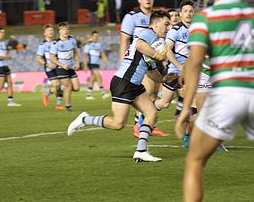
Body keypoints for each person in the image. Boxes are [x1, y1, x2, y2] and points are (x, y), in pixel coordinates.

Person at [175, 0, 254, 201]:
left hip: (227, 94)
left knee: (195, 160)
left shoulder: (205, 17)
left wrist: (185, 108)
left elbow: (193, 64)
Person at [67, 11, 177, 162]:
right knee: (118, 123)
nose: (168, 27)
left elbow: (152, 73)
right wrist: (159, 56)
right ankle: (85, 119)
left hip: (135, 84)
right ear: (156, 23)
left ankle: (141, 151)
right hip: (124, 82)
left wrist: (164, 78)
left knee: (151, 113)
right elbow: (139, 44)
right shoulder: (149, 34)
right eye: (166, 24)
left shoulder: (153, 43)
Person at [119, 0, 168, 137]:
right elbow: (124, 40)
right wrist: (123, 62)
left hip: (156, 58)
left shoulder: (156, 17)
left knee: (153, 93)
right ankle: (137, 125)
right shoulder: (132, 17)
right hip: (140, 60)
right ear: (139, 0)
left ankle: (148, 124)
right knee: (147, 92)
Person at [153, 0, 195, 111]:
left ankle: (189, 127)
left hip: (191, 71)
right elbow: (168, 50)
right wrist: (179, 66)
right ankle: (143, 116)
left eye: (191, 11)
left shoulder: (196, 30)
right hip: (175, 71)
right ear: (181, 13)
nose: (188, 13)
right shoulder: (176, 30)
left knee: (195, 104)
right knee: (164, 103)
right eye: (185, 11)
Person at [50, 22, 80, 112]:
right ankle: (68, 106)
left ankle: (61, 89)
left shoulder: (72, 40)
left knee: (77, 88)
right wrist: (62, 65)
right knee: (69, 87)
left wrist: (77, 62)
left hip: (71, 68)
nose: (66, 31)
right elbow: (52, 58)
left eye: (67, 29)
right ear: (59, 31)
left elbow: (76, 52)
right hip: (61, 69)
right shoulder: (56, 43)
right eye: (63, 29)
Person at [36, 24, 64, 110]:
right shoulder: (42, 45)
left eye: (52, 30)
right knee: (57, 85)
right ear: (45, 33)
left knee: (60, 86)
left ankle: (58, 104)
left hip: (58, 67)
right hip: (49, 68)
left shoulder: (56, 43)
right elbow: (38, 58)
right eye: (48, 30)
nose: (51, 32)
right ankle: (46, 95)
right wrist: (47, 64)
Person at [83, 31, 110, 100]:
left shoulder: (99, 45)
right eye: (94, 36)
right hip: (91, 64)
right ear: (92, 37)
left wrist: (106, 61)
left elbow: (102, 54)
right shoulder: (88, 45)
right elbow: (85, 56)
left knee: (92, 78)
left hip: (96, 64)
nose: (96, 37)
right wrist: (85, 65)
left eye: (97, 36)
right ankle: (103, 94)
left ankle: (88, 95)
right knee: (99, 76)